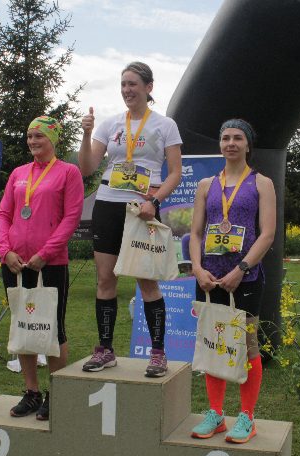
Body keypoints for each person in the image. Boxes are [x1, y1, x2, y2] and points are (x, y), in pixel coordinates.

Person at [78, 61, 183, 377]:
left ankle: (158, 354)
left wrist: (154, 201)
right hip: (108, 204)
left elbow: (175, 173)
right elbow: (87, 168)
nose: (127, 90)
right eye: (123, 84)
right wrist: (86, 134)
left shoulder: (165, 125)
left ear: (148, 87)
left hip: (142, 209)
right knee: (105, 279)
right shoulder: (110, 124)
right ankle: (105, 349)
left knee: (146, 281)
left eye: (133, 84)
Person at [188, 118, 276, 444]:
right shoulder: (206, 185)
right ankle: (215, 414)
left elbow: (267, 234)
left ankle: (247, 417)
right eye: (225, 138)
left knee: (247, 346)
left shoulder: (261, 183)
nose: (231, 143)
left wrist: (241, 269)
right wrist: (198, 269)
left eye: (238, 138)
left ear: (248, 144)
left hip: (245, 279)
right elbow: (195, 233)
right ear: (220, 143)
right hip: (210, 280)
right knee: (214, 345)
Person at [0, 115, 84, 420]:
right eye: (30, 136)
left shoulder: (68, 172)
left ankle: (55, 394)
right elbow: (3, 215)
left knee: (52, 327)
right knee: (24, 325)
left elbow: (71, 217)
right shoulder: (18, 174)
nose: (33, 141)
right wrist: (4, 251)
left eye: (39, 136)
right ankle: (31, 392)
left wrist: (46, 253)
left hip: (50, 263)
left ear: (53, 139)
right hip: (15, 264)